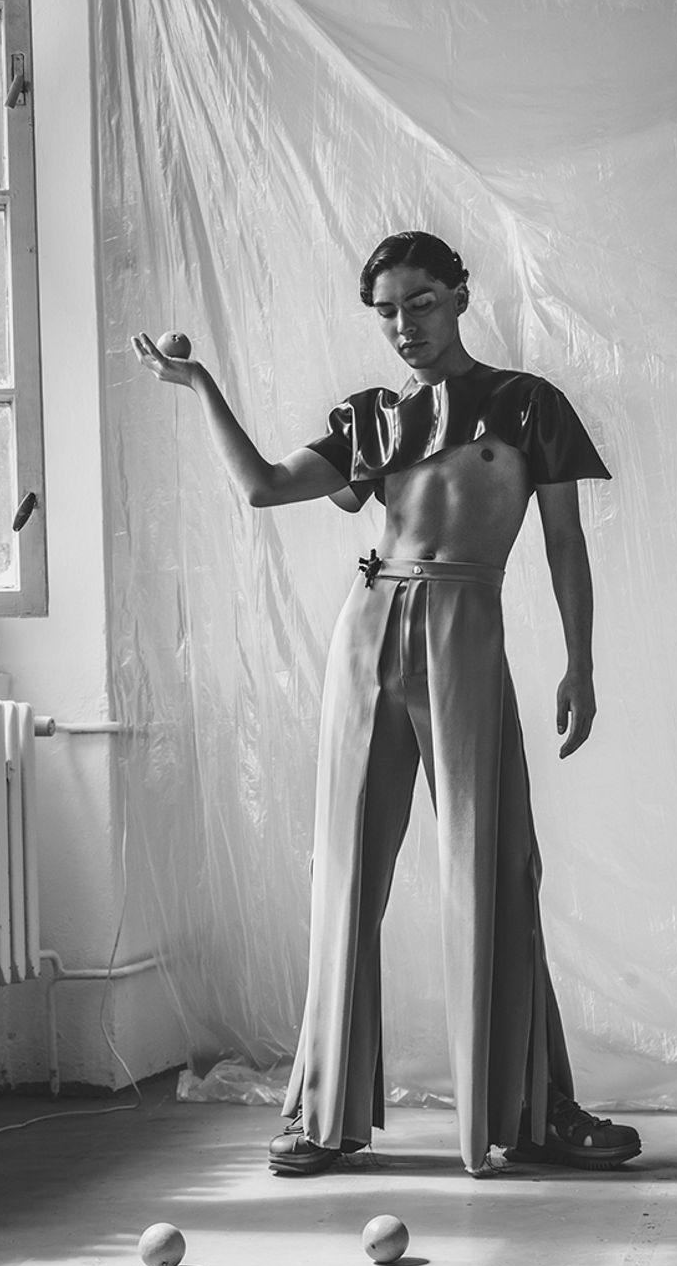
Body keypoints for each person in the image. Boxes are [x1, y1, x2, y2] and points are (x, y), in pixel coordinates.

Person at [133, 230, 641, 1179]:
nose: (404, 326)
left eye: (421, 303)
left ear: (460, 295)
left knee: (496, 868)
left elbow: (564, 543)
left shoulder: (528, 403)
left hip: (465, 630)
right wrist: (200, 387)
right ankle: (320, 1114)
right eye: (386, 312)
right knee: (349, 873)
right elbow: (262, 487)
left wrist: (580, 663)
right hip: (369, 632)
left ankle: (538, 1110)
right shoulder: (371, 418)